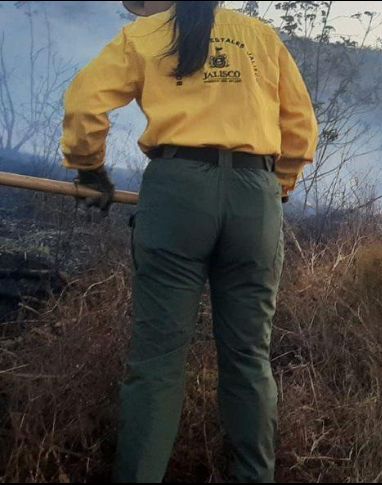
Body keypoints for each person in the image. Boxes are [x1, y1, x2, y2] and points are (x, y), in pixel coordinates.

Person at [60, 1, 318, 481]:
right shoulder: (260, 38)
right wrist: (275, 188)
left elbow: (85, 103)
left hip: (177, 191)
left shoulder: (146, 34)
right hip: (255, 198)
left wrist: (89, 167)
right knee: (248, 358)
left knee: (157, 360)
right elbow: (301, 129)